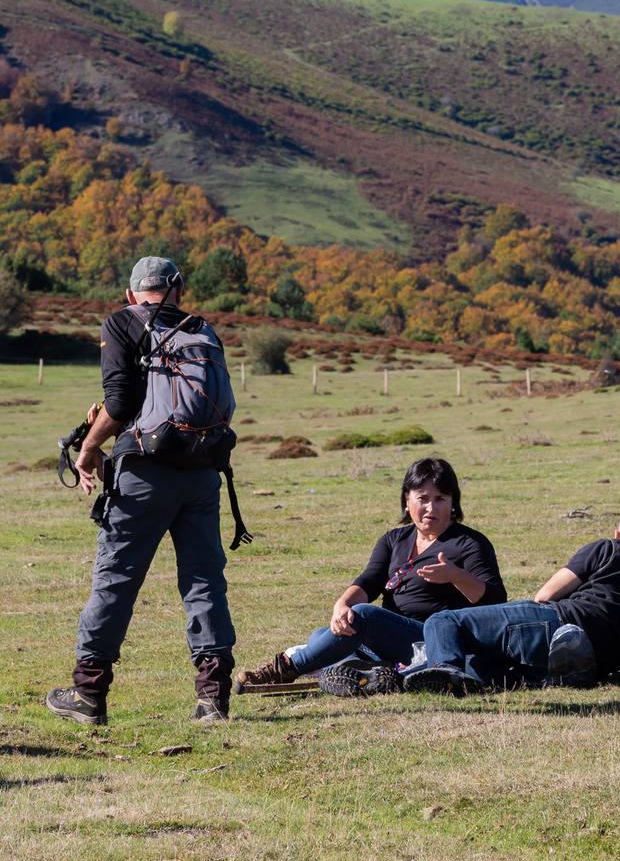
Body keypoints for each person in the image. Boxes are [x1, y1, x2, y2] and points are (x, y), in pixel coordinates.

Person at [45, 256, 240, 727]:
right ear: (177, 290)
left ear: (133, 294)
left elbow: (121, 402)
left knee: (116, 579)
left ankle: (88, 694)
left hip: (144, 475)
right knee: (203, 581)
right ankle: (212, 699)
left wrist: (90, 446)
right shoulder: (202, 329)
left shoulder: (121, 321)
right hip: (200, 470)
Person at [236, 456, 506, 693]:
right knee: (323, 633)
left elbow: (495, 601)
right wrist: (341, 605)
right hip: (390, 640)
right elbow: (370, 580)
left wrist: (455, 576)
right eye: (423, 499)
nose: (431, 509)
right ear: (406, 500)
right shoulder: (394, 539)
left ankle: (284, 668)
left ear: (453, 502)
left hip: (435, 641)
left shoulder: (469, 543)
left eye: (440, 499)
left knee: (363, 616)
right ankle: (376, 671)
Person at [405, 507, 620, 694]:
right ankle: (443, 672)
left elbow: (545, 595)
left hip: (558, 624)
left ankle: (443, 672)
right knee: (487, 666)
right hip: (594, 664)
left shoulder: (608, 549)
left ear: (618, 535)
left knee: (444, 620)